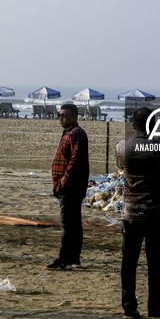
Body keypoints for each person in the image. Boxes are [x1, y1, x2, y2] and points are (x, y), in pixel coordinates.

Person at [115, 106, 160, 319]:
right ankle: (154, 309)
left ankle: (129, 307)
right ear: (154, 125)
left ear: (134, 125)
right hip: (155, 213)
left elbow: (121, 166)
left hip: (131, 212)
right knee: (155, 263)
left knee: (129, 262)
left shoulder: (122, 147)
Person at [47, 103, 89, 270]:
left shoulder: (77, 133)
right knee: (73, 223)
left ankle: (65, 258)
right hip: (65, 185)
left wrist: (65, 179)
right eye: (59, 115)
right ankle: (73, 258)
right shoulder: (68, 133)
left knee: (68, 223)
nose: (60, 118)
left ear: (73, 117)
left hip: (71, 186)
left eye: (63, 115)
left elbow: (75, 159)